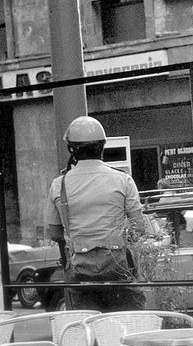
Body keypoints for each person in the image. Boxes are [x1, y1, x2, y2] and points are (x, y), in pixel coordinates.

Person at [45, 116, 151, 312]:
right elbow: (139, 227)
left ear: (72, 149)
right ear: (102, 146)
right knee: (127, 324)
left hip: (81, 274)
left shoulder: (58, 185)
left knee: (89, 329)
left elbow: (54, 233)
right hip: (118, 270)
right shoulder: (123, 180)